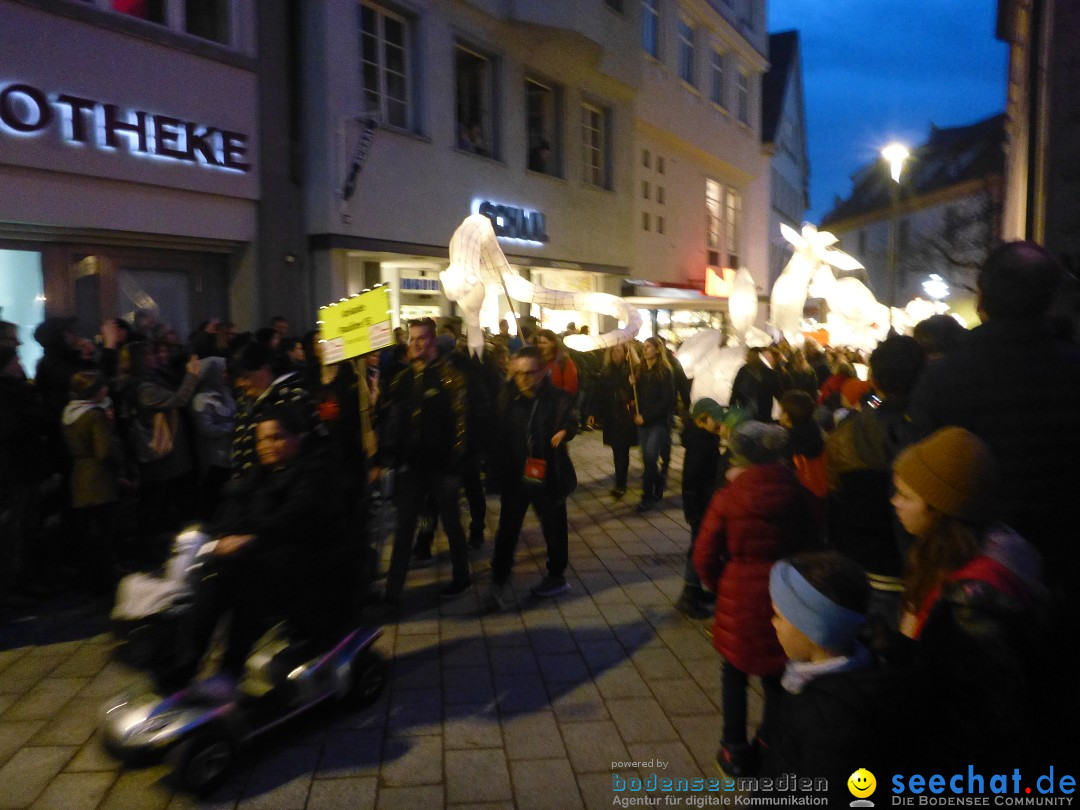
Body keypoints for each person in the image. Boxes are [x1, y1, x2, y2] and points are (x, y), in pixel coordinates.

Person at [906, 241, 1080, 599]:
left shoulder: (944, 378)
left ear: (981, 297)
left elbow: (917, 487)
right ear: (1049, 299)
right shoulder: (1072, 370)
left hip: (967, 574)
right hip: (1062, 565)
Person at [168, 405, 356, 700]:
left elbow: (294, 517)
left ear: (298, 437)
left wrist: (250, 538)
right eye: (261, 440)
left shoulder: (315, 472)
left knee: (245, 579)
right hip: (280, 554)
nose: (266, 446)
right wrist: (219, 534)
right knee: (211, 575)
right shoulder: (263, 473)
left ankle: (230, 669)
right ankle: (185, 664)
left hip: (318, 562)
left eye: (276, 438)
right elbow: (241, 508)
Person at [891, 427, 1046, 769]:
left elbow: (981, 723)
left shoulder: (973, 603)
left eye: (905, 495)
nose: (894, 501)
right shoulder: (945, 558)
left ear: (940, 508)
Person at [693, 421, 818, 777]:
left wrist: (720, 585)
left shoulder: (729, 496)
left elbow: (703, 552)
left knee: (733, 673)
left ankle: (733, 748)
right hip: (785, 593)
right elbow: (813, 542)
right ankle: (769, 741)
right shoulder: (797, 491)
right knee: (778, 673)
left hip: (739, 590)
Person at [757, 551, 918, 801]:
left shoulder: (828, 721)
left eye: (779, 615)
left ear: (812, 628)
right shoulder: (843, 677)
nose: (772, 622)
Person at [825, 334, 925, 628]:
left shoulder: (852, 429)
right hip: (920, 568)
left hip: (864, 564)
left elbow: (834, 493)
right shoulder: (933, 423)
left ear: (874, 377)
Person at [377, 318, 472, 602]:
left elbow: (462, 421)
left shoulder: (450, 376)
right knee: (405, 527)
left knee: (451, 522)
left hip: (442, 466)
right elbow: (393, 421)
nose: (415, 343)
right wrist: (389, 455)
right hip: (411, 466)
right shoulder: (401, 379)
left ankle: (461, 577)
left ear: (432, 341)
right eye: (412, 338)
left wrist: (454, 460)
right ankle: (393, 590)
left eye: (421, 338)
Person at [485, 346, 579, 609]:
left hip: (547, 473)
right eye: (518, 373)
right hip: (516, 475)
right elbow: (495, 432)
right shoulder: (505, 397)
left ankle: (556, 576)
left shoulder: (557, 398)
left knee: (554, 528)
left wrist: (564, 432)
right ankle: (498, 581)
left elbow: (571, 420)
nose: (524, 379)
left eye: (530, 373)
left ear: (542, 371)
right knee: (507, 530)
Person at [62, 371, 123, 595]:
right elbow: (104, 451)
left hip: (79, 477)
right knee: (103, 535)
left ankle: (90, 581)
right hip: (99, 480)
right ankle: (105, 583)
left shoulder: (69, 413)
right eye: (102, 388)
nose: (106, 390)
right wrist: (110, 426)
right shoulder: (94, 416)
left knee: (89, 533)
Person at [230, 341, 318, 478]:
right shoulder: (249, 403)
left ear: (265, 370)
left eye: (245, 377)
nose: (239, 384)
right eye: (237, 378)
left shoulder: (292, 399)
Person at [675, 397, 725, 618]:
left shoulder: (706, 439)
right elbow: (692, 480)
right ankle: (689, 594)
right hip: (700, 506)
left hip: (703, 503)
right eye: (716, 420)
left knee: (699, 546)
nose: (720, 424)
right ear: (702, 420)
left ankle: (695, 590)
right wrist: (693, 511)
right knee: (698, 548)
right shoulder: (701, 444)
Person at [631, 337, 676, 510]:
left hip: (657, 422)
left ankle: (647, 496)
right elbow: (637, 395)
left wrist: (647, 416)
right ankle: (658, 480)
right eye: (644, 347)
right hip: (642, 422)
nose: (645, 349)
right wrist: (632, 384)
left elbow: (667, 400)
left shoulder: (665, 371)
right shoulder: (640, 370)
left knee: (650, 456)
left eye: (648, 347)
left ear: (657, 350)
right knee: (647, 459)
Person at [589, 343, 637, 498]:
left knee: (623, 450)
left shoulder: (631, 369)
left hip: (625, 417)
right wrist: (593, 413)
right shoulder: (607, 371)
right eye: (614, 351)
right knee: (617, 451)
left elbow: (633, 395)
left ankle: (621, 484)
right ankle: (619, 480)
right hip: (611, 416)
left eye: (619, 350)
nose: (616, 353)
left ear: (626, 353)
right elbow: (599, 394)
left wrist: (631, 384)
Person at [729, 347, 782, 423]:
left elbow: (735, 392)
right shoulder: (770, 373)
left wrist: (732, 409)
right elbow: (778, 393)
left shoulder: (743, 371)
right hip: (762, 414)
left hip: (748, 414)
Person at [536, 329, 578, 396]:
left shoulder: (564, 360)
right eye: (539, 343)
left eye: (544, 343)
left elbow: (570, 388)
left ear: (553, 343)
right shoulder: (537, 360)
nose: (540, 346)